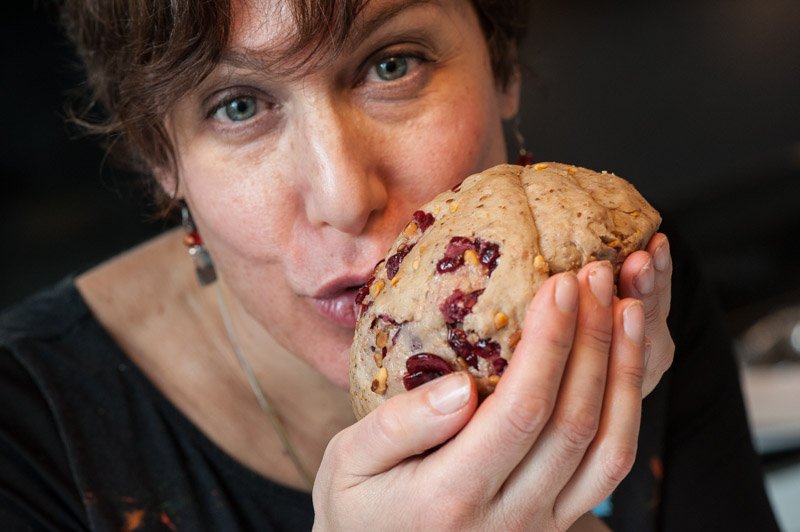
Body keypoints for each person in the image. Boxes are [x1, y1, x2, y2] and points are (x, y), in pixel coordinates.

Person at [0, 0, 776, 530]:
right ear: (159, 158)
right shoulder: (30, 446)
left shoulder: (625, 295)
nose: (343, 195)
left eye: (392, 65)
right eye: (237, 105)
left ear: (502, 67)